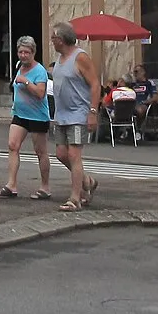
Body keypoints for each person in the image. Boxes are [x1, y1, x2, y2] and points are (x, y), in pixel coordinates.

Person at [48, 22, 100, 211]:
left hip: (78, 113)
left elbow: (95, 84)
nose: (51, 41)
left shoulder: (81, 57)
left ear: (61, 40)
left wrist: (92, 112)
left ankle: (75, 198)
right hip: (61, 114)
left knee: (74, 154)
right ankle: (87, 181)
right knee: (61, 154)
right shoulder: (60, 58)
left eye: (53, 38)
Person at [0, 37, 52, 200]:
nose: (23, 55)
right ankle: (11, 185)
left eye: (26, 52)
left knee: (40, 151)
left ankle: (45, 187)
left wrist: (26, 82)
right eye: (20, 52)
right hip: (20, 114)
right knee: (12, 146)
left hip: (37, 116)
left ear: (33, 53)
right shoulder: (19, 66)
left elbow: (41, 93)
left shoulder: (40, 71)